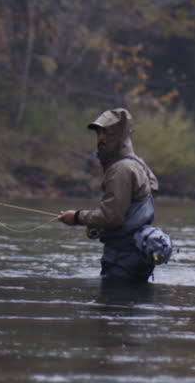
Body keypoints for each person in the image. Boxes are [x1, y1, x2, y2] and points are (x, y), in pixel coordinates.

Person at [59, 107, 160, 285]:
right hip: (138, 254)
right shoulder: (137, 163)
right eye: (99, 133)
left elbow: (112, 217)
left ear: (119, 135)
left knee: (113, 309)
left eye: (106, 133)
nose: (101, 139)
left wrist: (76, 217)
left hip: (124, 256)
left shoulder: (121, 169)